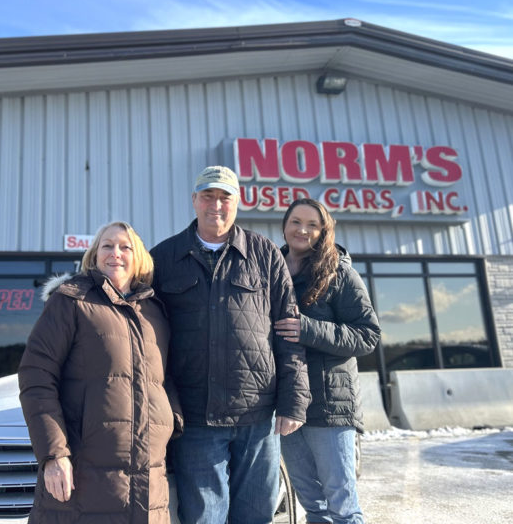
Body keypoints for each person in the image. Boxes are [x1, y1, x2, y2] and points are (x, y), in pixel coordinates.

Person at [150, 165, 311, 524]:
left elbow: (288, 331)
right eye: (208, 195)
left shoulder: (265, 254)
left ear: (237, 202)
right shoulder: (163, 259)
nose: (216, 205)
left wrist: (294, 401)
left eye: (225, 197)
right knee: (204, 518)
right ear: (194, 200)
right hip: (195, 418)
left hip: (258, 416)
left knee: (256, 516)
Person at [19, 221, 182, 524]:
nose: (115, 253)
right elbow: (36, 376)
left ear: (139, 258)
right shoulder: (70, 301)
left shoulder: (154, 312)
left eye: (125, 246)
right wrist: (54, 455)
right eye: (107, 245)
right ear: (94, 255)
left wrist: (172, 422)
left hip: (149, 479)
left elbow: (163, 379)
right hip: (84, 478)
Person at [275, 198, 380, 524]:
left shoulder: (340, 274)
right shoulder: (270, 271)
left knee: (342, 508)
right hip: (287, 405)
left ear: (323, 231)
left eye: (311, 224)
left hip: (331, 408)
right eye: (295, 222)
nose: (302, 230)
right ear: (285, 225)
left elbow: (368, 336)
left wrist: (308, 329)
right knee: (312, 505)